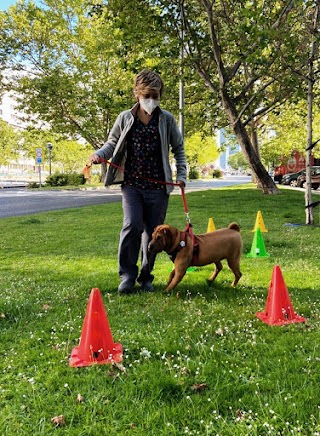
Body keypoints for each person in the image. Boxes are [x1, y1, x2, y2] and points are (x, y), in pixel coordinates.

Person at [89, 69, 187, 294]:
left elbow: (179, 149)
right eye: (147, 95)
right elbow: (112, 143)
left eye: (155, 96)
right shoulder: (125, 117)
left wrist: (181, 177)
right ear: (137, 94)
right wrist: (100, 154)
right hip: (132, 185)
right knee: (132, 225)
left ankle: (146, 277)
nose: (151, 100)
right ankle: (126, 276)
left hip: (158, 187)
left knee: (153, 234)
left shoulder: (167, 120)